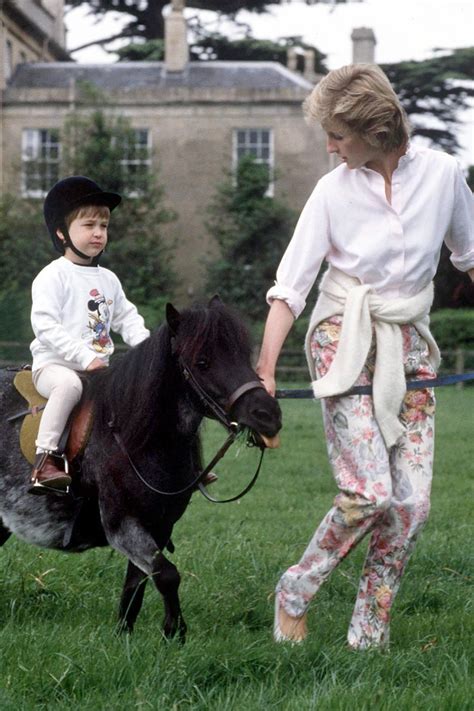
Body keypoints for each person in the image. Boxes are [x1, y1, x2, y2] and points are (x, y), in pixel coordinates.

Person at [256, 64, 474, 649]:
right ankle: (295, 591)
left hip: (410, 343)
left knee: (409, 506)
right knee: (368, 493)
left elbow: (469, 256)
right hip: (343, 340)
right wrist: (266, 372)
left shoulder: (446, 176)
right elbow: (290, 289)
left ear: (376, 130)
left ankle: (368, 633)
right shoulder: (332, 190)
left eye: (337, 134)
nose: (329, 146)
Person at [29, 176, 150, 494]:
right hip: (55, 367)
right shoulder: (53, 276)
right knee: (68, 386)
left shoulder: (108, 279)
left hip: (98, 370)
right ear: (61, 232)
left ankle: (163, 462)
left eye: (104, 226)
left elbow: (128, 319)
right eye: (89, 225)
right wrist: (85, 357)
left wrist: (150, 350)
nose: (98, 233)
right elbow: (45, 326)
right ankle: (45, 461)